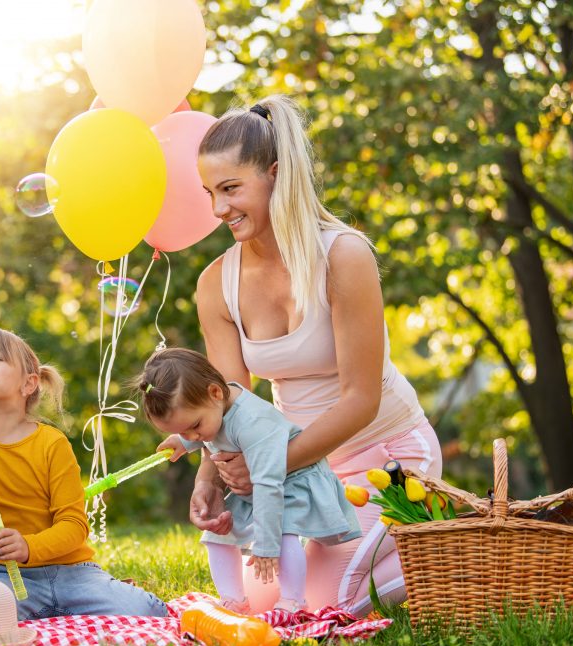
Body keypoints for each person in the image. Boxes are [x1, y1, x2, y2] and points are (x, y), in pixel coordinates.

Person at [190, 95, 443, 616]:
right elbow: (228, 405)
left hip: (387, 458)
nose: (218, 209)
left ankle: (438, 541)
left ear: (276, 176)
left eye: (231, 188)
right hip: (301, 474)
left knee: (317, 605)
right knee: (257, 604)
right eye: (210, 192)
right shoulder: (216, 283)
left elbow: (361, 400)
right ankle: (391, 546)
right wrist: (210, 477)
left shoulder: (343, 256)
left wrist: (269, 468)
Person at [0, 327, 167, 620]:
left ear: (28, 384)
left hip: (74, 572)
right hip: (9, 575)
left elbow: (74, 525)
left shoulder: (51, 443)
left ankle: (102, 595)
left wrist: (29, 546)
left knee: (147, 612)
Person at [135, 348, 360, 614]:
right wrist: (183, 441)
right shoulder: (213, 408)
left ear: (215, 393)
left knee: (284, 534)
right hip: (256, 486)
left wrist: (266, 544)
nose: (194, 436)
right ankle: (233, 600)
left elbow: (269, 484)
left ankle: (293, 601)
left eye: (194, 426)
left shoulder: (252, 422)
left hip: (292, 481)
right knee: (218, 533)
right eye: (182, 431)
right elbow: (208, 430)